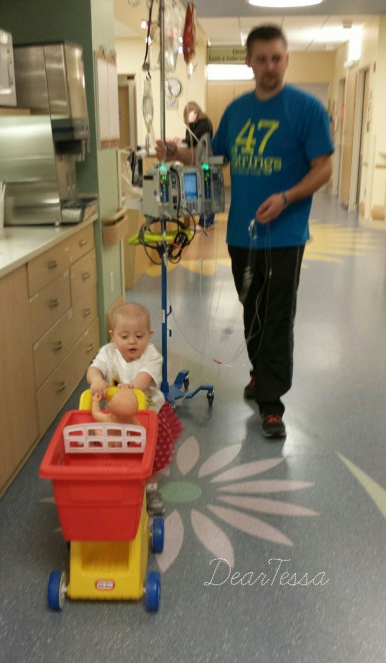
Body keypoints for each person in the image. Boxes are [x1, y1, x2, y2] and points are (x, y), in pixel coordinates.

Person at [156, 25, 333, 439]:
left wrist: (287, 198)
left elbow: (323, 167)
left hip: (285, 235)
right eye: (262, 59)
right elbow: (211, 157)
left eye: (277, 58)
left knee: (276, 317)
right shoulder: (237, 112)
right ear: (249, 62)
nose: (270, 66)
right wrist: (175, 153)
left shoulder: (306, 109)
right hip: (241, 235)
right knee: (251, 309)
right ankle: (260, 376)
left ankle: (272, 404)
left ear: (286, 60)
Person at [86, 302, 183, 514]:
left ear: (149, 334)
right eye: (124, 336)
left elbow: (145, 377)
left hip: (148, 414)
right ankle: (117, 480)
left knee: (150, 455)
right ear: (113, 335)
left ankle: (151, 489)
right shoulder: (107, 353)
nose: (132, 341)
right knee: (115, 449)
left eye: (139, 336)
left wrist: (132, 388)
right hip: (116, 416)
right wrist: (96, 380)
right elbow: (94, 368)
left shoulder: (152, 355)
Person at [180, 101, 215, 229]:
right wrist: (181, 141)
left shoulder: (204, 123)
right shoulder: (194, 124)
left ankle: (205, 221)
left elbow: (194, 140)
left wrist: (182, 141)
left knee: (205, 190)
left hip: (204, 160)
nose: (191, 115)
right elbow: (189, 140)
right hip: (198, 160)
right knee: (203, 189)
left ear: (196, 112)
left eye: (192, 112)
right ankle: (206, 220)